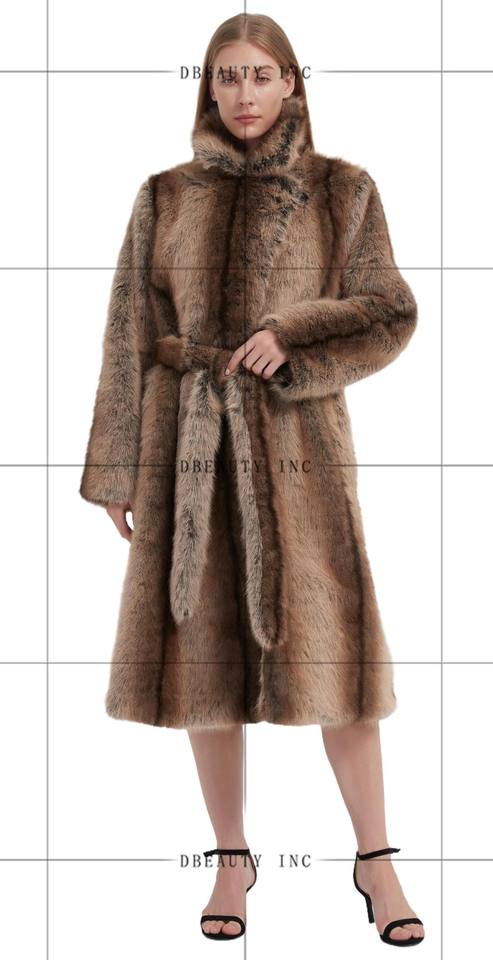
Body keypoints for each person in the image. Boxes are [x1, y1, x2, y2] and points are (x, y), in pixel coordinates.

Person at [79, 12, 424, 946]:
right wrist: (117, 466)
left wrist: (292, 338)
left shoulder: (343, 189)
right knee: (205, 663)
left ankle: (376, 860)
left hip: (299, 455)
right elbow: (127, 332)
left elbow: (389, 311)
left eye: (259, 75)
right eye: (226, 77)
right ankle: (231, 860)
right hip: (186, 447)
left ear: (291, 82)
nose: (243, 94)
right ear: (207, 87)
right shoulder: (163, 195)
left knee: (338, 662)